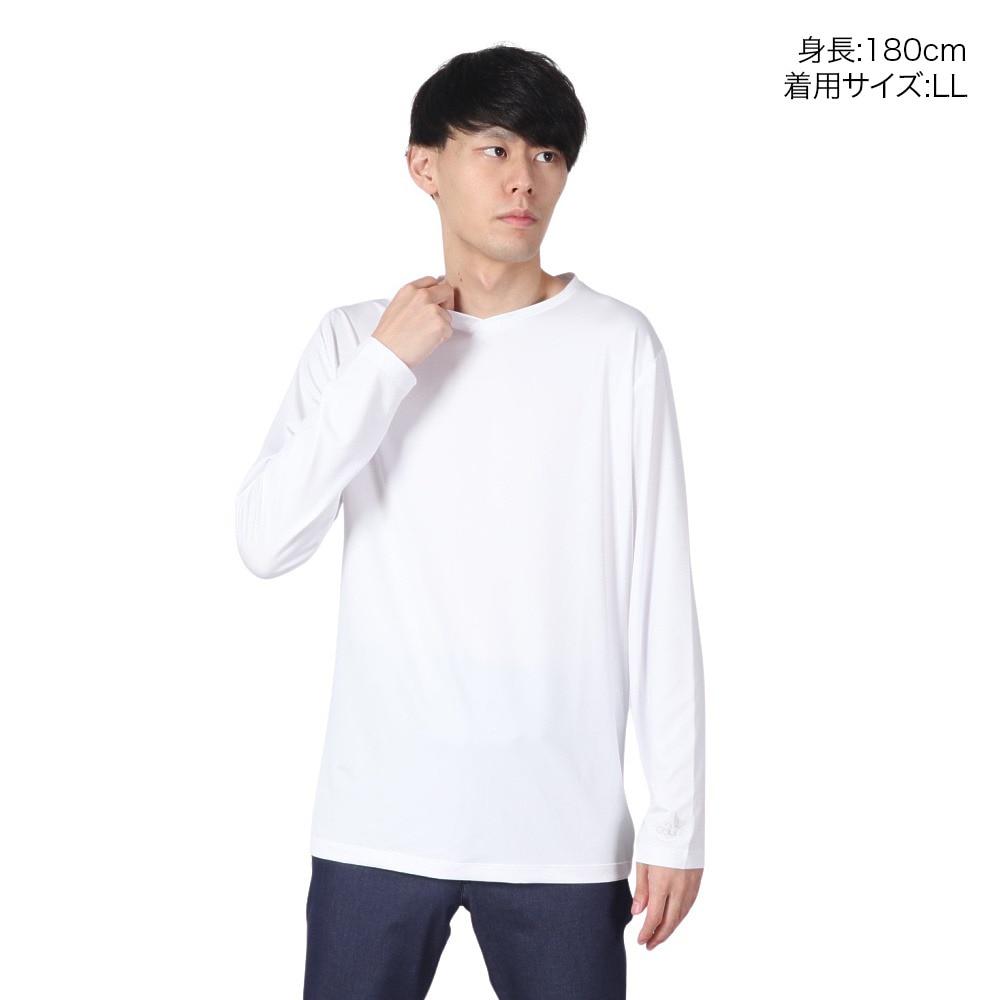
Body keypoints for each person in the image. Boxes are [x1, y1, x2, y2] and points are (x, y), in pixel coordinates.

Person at [235, 43, 705, 1000]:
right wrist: (384, 366)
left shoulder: (617, 345)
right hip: (378, 823)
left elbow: (659, 589)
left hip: (561, 832)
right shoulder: (354, 340)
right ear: (425, 165)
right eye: (494, 148)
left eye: (547, 154)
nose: (523, 178)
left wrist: (678, 820)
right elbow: (266, 541)